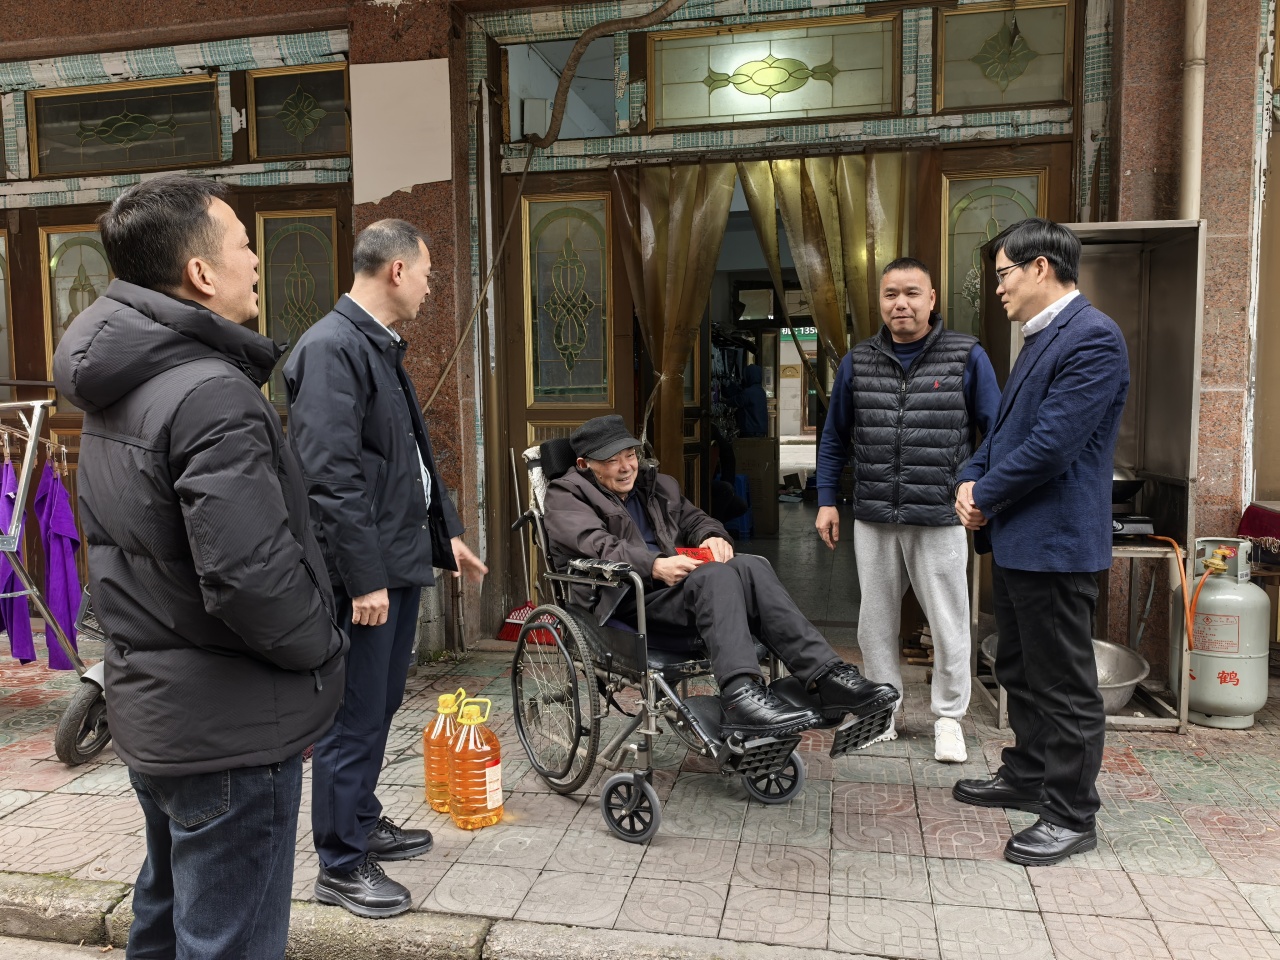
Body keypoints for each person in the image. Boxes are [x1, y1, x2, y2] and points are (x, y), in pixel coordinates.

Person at [52, 175, 347, 958]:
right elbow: (250, 575)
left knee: (165, 923)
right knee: (226, 941)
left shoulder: (125, 382)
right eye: (244, 244)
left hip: (160, 713)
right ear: (200, 273)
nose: (256, 260)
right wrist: (321, 646)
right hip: (229, 728)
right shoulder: (211, 392)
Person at [285, 219, 489, 918]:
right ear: (397, 270)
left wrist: (447, 536)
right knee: (353, 715)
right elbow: (331, 477)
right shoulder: (331, 349)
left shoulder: (374, 345)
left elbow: (410, 459)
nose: (431, 288)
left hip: (396, 560)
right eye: (428, 274)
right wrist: (364, 578)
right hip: (364, 575)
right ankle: (341, 863)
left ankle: (362, 819)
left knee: (380, 703)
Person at [543, 415, 898, 738]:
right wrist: (653, 564)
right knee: (714, 577)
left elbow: (696, 519)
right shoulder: (566, 496)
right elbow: (599, 545)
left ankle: (827, 676)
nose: (626, 467)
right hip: (624, 599)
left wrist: (712, 536)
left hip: (677, 593)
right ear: (584, 465)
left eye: (630, 455)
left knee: (751, 566)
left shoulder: (655, 485)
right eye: (611, 461)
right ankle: (741, 695)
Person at [951, 217, 1128, 866]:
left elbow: (1052, 445)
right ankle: (1027, 773)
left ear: (1040, 268)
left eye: (1002, 274)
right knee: (1019, 668)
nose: (997, 287)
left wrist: (986, 495)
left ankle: (1071, 813)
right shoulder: (1038, 338)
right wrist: (970, 481)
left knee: (1064, 684)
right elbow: (1003, 434)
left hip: (1055, 544)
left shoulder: (1092, 338)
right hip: (1020, 540)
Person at [815, 257, 1000, 763]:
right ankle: (884, 712)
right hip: (875, 515)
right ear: (880, 301)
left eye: (912, 293)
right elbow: (834, 436)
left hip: (939, 516)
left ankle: (949, 718)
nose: (901, 303)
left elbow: (997, 430)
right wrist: (827, 500)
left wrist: (974, 483)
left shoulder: (966, 355)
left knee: (949, 621)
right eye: (891, 294)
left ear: (932, 299)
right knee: (874, 622)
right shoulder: (858, 361)